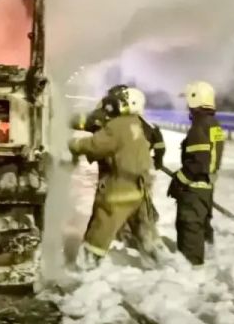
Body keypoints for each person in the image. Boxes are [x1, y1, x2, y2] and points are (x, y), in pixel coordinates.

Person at [69, 86, 170, 267]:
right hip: (141, 189)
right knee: (145, 228)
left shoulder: (118, 125)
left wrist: (75, 144)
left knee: (102, 225)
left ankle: (87, 264)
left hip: (120, 189)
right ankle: (163, 260)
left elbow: (95, 145)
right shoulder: (137, 123)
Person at [167, 80, 225, 266]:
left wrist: (179, 180)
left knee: (190, 229)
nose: (187, 108)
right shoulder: (213, 124)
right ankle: (207, 260)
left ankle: (192, 273)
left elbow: (198, 162)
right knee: (202, 229)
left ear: (195, 99)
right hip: (206, 188)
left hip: (194, 190)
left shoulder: (199, 128)